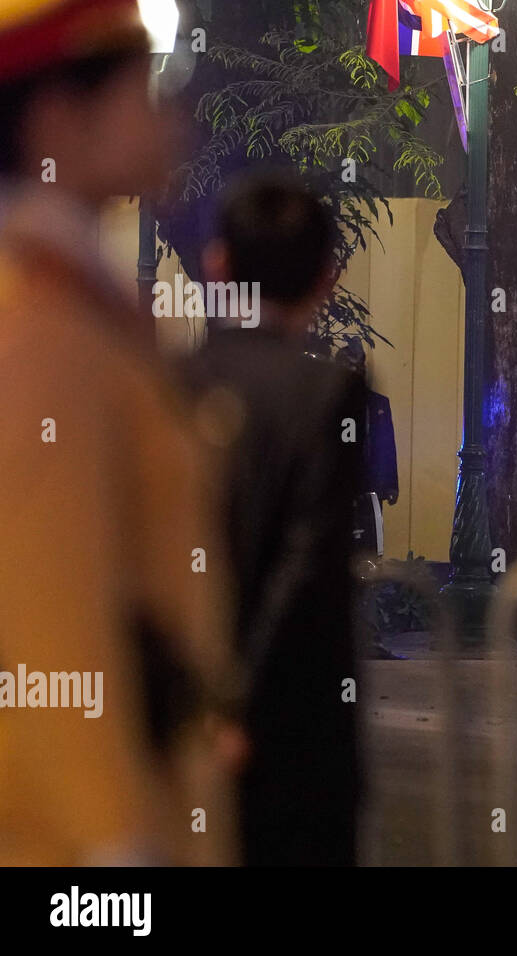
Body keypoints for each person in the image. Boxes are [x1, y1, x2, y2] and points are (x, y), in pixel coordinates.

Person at [0, 0, 239, 865]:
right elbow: (49, 624)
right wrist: (114, 853)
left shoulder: (74, 305)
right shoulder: (46, 331)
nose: (168, 114)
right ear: (59, 122)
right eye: (141, 87)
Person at [191, 169, 366, 865]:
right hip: (299, 718)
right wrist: (246, 703)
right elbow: (307, 563)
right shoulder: (328, 390)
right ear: (326, 277)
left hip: (186, 720)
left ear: (218, 264)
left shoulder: (173, 380)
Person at [338, 338, 400, 559]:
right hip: (338, 485)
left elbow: (386, 445)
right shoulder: (329, 402)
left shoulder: (377, 403)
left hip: (370, 483)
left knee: (371, 543)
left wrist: (391, 483)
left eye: (358, 366)